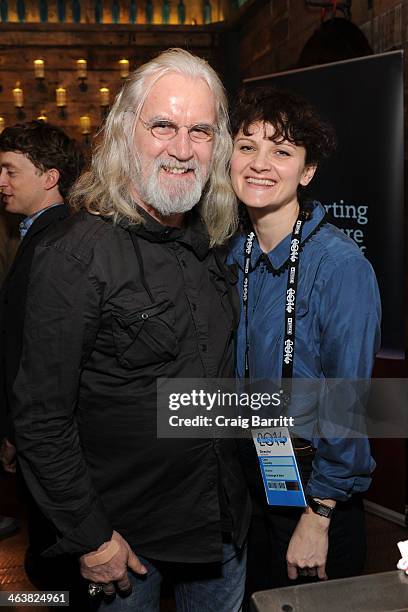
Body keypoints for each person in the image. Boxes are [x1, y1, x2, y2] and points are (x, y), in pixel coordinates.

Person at [10, 49, 250, 611]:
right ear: (124, 132)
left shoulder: (212, 242)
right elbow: (41, 418)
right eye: (163, 126)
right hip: (126, 548)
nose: (183, 149)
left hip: (221, 531)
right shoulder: (74, 257)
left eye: (201, 131)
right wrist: (90, 536)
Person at [228, 87, 381, 599]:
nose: (260, 164)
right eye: (247, 146)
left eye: (282, 151)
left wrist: (318, 517)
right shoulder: (231, 254)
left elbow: (348, 404)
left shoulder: (340, 268)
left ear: (307, 172)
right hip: (248, 481)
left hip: (317, 491)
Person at [0, 121, 85, 593]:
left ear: (49, 177)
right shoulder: (35, 234)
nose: (1, 182)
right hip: (34, 427)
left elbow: (36, 353)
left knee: (55, 558)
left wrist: (14, 429)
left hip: (45, 430)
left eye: (11, 170)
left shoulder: (57, 242)